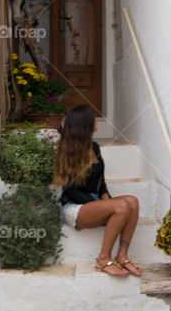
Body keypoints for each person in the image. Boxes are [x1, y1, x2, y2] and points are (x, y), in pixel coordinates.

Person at [53, 104, 144, 277]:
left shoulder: (94, 147)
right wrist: (100, 204)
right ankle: (103, 259)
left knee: (132, 201)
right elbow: (70, 191)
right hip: (74, 208)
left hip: (95, 204)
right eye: (93, 118)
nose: (97, 120)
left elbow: (101, 181)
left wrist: (105, 198)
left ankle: (122, 256)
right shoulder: (67, 150)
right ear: (85, 123)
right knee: (122, 206)